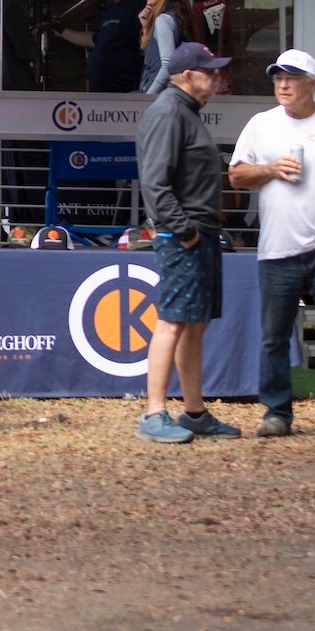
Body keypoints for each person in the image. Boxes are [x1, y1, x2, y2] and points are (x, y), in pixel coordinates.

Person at [228, 48, 315, 437]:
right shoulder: (261, 124)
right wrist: (271, 168)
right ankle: (276, 413)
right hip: (277, 246)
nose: (283, 85)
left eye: (291, 78)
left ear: (312, 84)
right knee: (274, 335)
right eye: (277, 78)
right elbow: (236, 176)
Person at [132, 41, 243, 444]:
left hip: (199, 234)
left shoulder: (184, 112)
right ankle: (153, 412)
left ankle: (193, 411)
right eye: (209, 71)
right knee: (173, 321)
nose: (216, 77)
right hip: (185, 236)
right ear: (187, 76)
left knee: (193, 324)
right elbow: (156, 183)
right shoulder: (167, 112)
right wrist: (186, 231)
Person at [91, 0, 146, 93]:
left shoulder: (137, 3)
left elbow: (147, 40)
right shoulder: (111, 9)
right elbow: (95, 40)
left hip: (127, 92)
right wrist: (61, 31)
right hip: (103, 92)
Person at [135, 0, 185, 94]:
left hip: (158, 94)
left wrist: (149, 96)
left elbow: (168, 65)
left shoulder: (163, 19)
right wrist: (146, 28)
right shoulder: (176, 17)